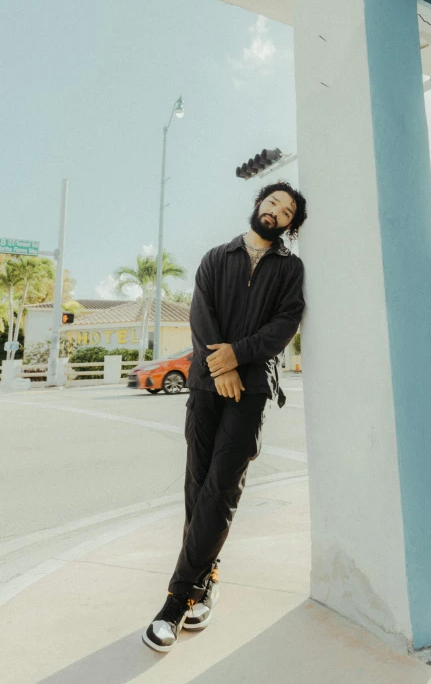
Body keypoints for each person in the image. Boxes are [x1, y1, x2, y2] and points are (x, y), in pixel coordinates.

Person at [142, 181, 307, 652]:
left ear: (291, 225)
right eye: (273, 202)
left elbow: (284, 324)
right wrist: (219, 369)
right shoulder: (217, 257)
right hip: (206, 387)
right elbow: (201, 317)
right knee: (199, 486)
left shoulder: (290, 268)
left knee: (222, 488)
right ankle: (206, 580)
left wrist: (237, 357)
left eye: (287, 210)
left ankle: (175, 601)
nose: (277, 211)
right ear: (258, 206)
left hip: (252, 388)